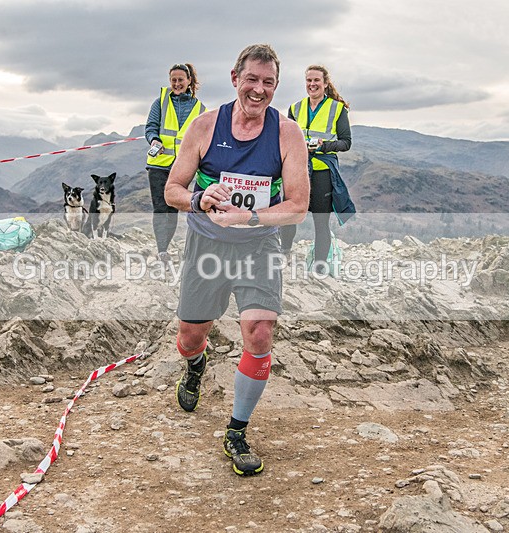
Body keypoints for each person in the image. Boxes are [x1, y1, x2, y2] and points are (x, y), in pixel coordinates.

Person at [164, 44, 309, 476]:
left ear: (276, 87)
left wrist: (249, 217)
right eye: (252, 80)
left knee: (260, 332)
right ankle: (195, 366)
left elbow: (299, 205)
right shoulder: (206, 126)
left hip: (258, 246)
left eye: (268, 83)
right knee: (191, 336)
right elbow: (172, 189)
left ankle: (237, 431)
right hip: (207, 246)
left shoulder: (287, 134)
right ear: (234, 78)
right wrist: (197, 198)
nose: (259, 90)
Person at [279, 65, 355, 274]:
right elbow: (285, 139)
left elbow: (346, 142)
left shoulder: (337, 109)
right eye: (309, 81)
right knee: (289, 215)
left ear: (325, 83)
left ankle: (320, 269)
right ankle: (284, 255)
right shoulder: (295, 109)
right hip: (298, 169)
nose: (312, 85)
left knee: (321, 222)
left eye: (316, 81)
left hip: (322, 171)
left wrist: (324, 146)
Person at [145, 63, 206, 264]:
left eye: (181, 80)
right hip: (158, 164)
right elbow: (150, 127)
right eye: (173, 80)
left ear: (189, 81)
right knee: (161, 207)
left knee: (175, 206)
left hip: (183, 167)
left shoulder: (200, 109)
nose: (177, 84)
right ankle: (162, 249)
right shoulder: (160, 102)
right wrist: (154, 139)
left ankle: (182, 246)